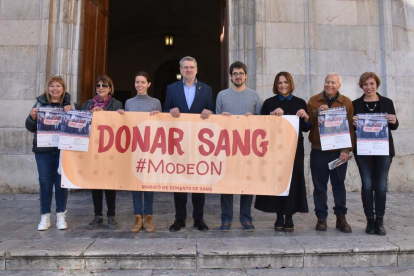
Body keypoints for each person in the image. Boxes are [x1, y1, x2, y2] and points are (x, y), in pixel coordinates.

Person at [163, 56, 214, 232]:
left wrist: (210, 111)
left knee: (199, 181)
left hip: (200, 144)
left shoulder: (206, 89)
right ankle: (180, 218)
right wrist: (170, 110)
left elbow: (213, 112)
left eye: (191, 67)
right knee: (180, 182)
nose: (188, 70)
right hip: (179, 144)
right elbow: (165, 110)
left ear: (196, 70)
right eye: (185, 67)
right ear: (181, 70)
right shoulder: (172, 88)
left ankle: (199, 218)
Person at [254, 71, 310, 232]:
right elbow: (262, 127)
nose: (283, 85)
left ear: (290, 83)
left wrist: (306, 117)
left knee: (292, 183)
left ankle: (289, 217)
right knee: (277, 181)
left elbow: (306, 128)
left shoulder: (300, 102)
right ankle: (279, 217)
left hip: (294, 150)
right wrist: (271, 116)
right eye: (280, 83)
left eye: (285, 82)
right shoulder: (269, 103)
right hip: (274, 150)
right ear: (275, 85)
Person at [215, 61, 262, 231]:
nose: (238, 76)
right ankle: (226, 219)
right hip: (226, 147)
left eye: (241, 73)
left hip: (247, 148)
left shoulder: (255, 96)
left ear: (246, 75)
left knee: (246, 184)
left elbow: (262, 122)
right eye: (235, 73)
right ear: (230, 76)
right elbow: (216, 120)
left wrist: (253, 118)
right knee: (226, 183)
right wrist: (222, 117)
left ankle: (246, 218)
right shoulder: (222, 95)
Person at [307, 73, 355, 233]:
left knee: (339, 185)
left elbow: (350, 128)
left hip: (338, 152)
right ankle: (321, 218)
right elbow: (307, 124)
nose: (329, 85)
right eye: (327, 81)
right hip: (319, 150)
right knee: (319, 186)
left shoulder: (346, 102)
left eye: (333, 82)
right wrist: (317, 112)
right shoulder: (314, 101)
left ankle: (341, 218)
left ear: (339, 85)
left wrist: (346, 150)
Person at [352, 72, 398, 236]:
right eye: (365, 84)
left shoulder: (387, 102)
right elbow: (351, 129)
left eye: (372, 84)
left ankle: (380, 221)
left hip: (383, 149)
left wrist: (394, 119)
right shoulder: (355, 104)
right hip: (363, 151)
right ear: (361, 86)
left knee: (380, 186)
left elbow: (393, 126)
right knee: (367, 185)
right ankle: (369, 221)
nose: (369, 87)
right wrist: (353, 123)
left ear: (377, 84)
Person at [25, 75, 73, 231]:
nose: (55, 89)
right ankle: (45, 216)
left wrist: (72, 113)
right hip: (43, 151)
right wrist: (32, 118)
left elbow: (77, 127)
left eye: (58, 86)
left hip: (62, 150)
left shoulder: (70, 105)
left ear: (63, 89)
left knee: (61, 183)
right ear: (48, 88)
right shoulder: (39, 104)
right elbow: (30, 127)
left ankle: (61, 215)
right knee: (45, 183)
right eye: (52, 86)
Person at [118, 71, 162, 233]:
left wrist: (158, 116)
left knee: (149, 184)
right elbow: (126, 123)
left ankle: (148, 217)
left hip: (150, 148)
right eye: (137, 82)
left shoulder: (156, 102)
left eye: (143, 82)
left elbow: (161, 125)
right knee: (136, 183)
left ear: (149, 84)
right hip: (133, 148)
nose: (140, 85)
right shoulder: (129, 102)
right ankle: (137, 218)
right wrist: (121, 116)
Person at [82, 75, 123, 230]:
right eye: (98, 85)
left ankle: (111, 215)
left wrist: (115, 114)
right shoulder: (87, 104)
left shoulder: (116, 104)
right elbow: (81, 123)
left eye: (104, 85)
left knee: (110, 182)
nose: (101, 88)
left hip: (109, 148)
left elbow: (119, 124)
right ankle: (97, 214)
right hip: (92, 148)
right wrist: (92, 115)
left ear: (110, 88)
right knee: (96, 183)